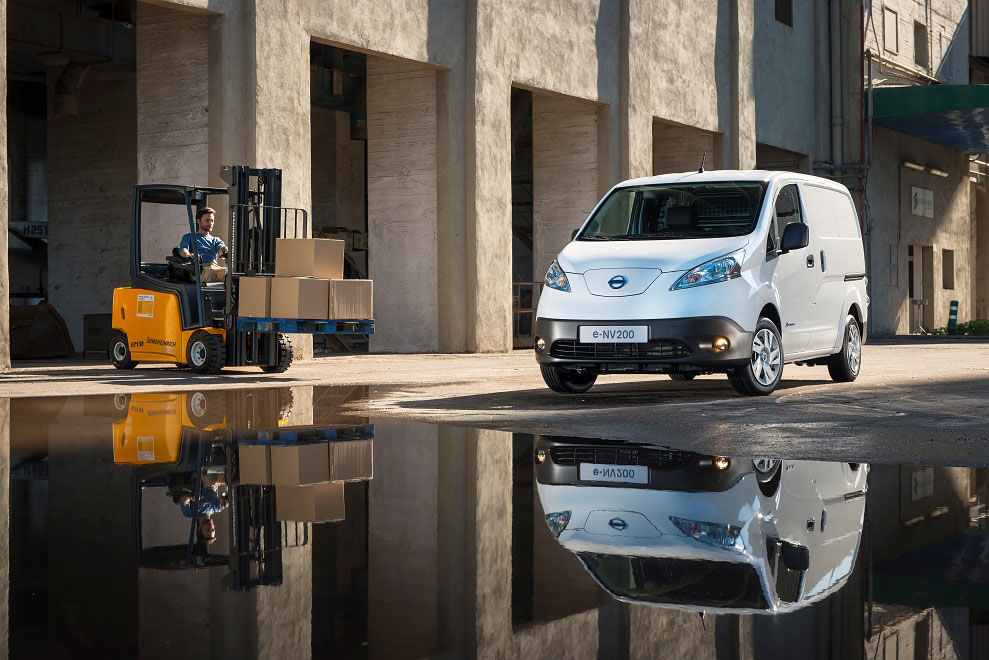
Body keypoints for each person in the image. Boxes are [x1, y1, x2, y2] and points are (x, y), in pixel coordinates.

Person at [179, 207, 228, 283]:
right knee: (211, 273)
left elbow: (220, 247)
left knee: (229, 274)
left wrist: (223, 249)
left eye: (212, 221)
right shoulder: (189, 236)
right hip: (198, 270)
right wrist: (189, 255)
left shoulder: (215, 240)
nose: (210, 223)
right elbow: (183, 250)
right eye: (207, 220)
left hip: (214, 268)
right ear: (198, 221)